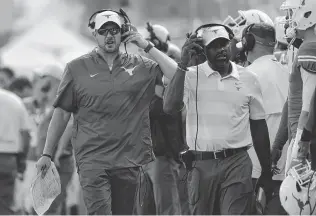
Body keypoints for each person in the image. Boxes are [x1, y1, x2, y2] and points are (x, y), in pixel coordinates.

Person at [36, 9, 177, 215]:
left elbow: (175, 74)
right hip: (93, 161)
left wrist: (146, 45)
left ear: (123, 33)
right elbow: (62, 113)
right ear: (95, 34)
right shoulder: (76, 68)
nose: (109, 36)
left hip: (130, 161)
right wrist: (47, 153)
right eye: (104, 31)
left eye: (114, 30)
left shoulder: (141, 66)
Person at [163, 23, 272, 214]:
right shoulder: (190, 76)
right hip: (201, 164)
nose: (221, 49)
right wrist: (182, 64)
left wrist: (266, 169)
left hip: (237, 162)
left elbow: (258, 126)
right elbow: (170, 108)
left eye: (224, 43)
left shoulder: (249, 78)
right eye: (214, 45)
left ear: (232, 43)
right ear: (203, 50)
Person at [241, 23, 289, 214]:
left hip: (256, 171)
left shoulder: (246, 75)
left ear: (248, 42)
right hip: (289, 169)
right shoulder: (289, 72)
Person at [276, 0, 316, 173]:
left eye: (293, 13)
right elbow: (292, 99)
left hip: (307, 136)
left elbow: (308, 106)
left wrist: (301, 141)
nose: (289, 19)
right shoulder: (305, 47)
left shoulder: (309, 49)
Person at [34, 64, 75, 215]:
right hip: (50, 160)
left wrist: (59, 151)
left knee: (49, 208)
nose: (40, 81)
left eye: (44, 78)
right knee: (48, 206)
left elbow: (70, 124)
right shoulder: (48, 101)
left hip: (58, 160)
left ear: (53, 79)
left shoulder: (62, 99)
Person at [0, 88, 31, 214]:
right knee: (5, 204)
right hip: (8, 159)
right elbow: (26, 135)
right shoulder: (14, 100)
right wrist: (22, 162)